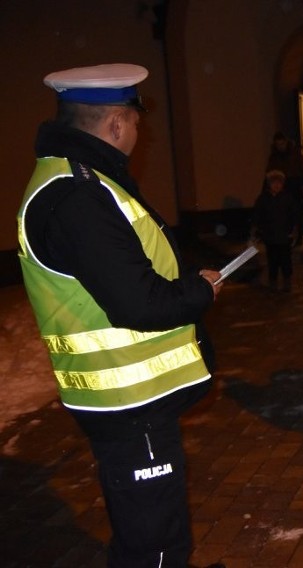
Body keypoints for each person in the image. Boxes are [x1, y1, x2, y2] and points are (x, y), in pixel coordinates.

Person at [16, 63, 224, 567]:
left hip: (132, 398)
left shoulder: (81, 180)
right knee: (154, 543)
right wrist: (198, 293)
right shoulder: (78, 194)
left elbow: (126, 269)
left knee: (152, 528)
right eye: (135, 121)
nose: (138, 131)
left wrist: (183, 279)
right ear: (115, 123)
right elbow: (137, 302)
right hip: (128, 400)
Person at [251, 169, 301, 292]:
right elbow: (257, 215)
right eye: (274, 183)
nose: (277, 185)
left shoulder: (288, 198)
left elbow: (294, 215)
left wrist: (295, 229)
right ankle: (272, 282)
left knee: (285, 260)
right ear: (269, 184)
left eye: (279, 183)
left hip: (285, 235)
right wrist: (257, 229)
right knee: (272, 260)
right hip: (270, 236)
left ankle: (287, 281)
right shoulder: (263, 199)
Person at [266, 132, 303, 245]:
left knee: (297, 212)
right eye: (278, 144)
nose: (280, 147)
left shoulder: (295, 155)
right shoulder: (275, 157)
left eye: (282, 144)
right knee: (285, 214)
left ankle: (298, 236)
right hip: (282, 187)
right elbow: (269, 173)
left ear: (286, 142)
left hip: (294, 186)